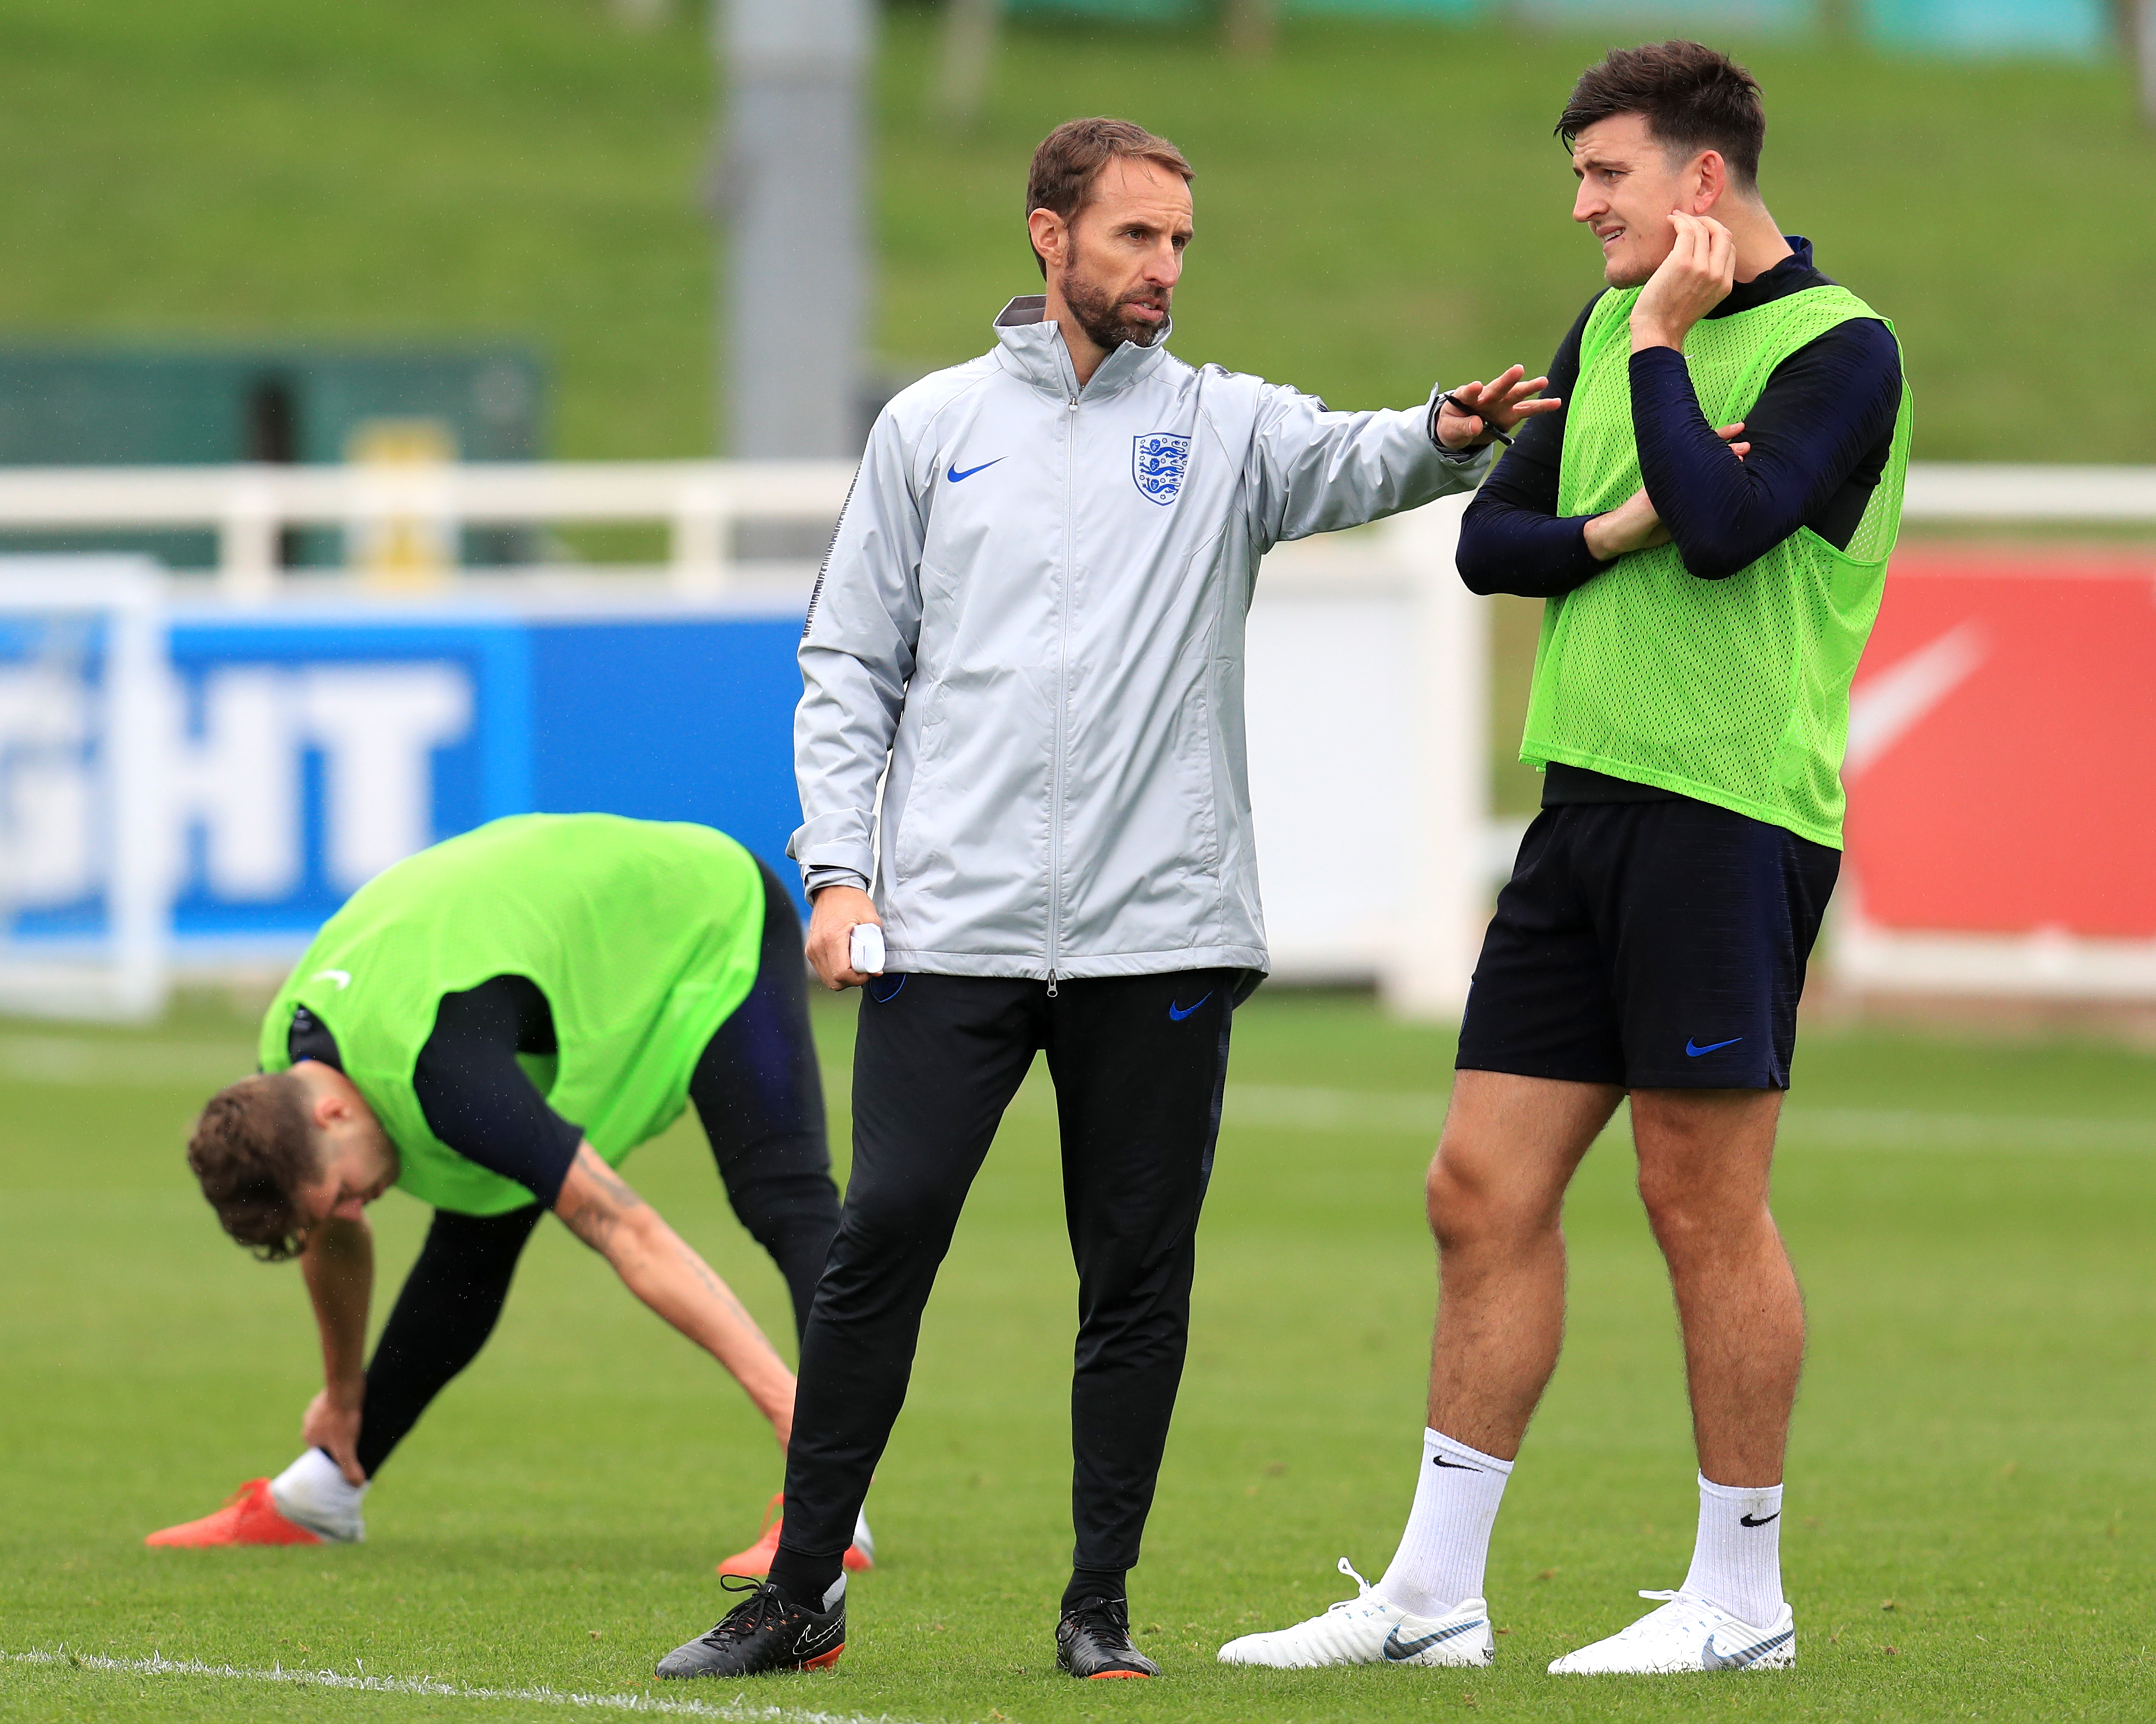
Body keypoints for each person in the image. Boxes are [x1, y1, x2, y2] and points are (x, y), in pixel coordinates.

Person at [655, 115, 1557, 1684]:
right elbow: (845, 662)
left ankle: (1097, 1612)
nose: (1162, 268)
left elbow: (1354, 456)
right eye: (1135, 236)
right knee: (882, 1245)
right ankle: (798, 1594)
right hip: (950, 927)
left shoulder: (1218, 426)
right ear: (1045, 235)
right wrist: (837, 871)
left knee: (1132, 1278)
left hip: (1165, 934)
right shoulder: (931, 429)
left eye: (1180, 242)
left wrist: (1447, 427)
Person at [1221, 42, 1910, 1678]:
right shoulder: (1597, 327)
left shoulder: (1838, 348)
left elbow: (1731, 523)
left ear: (1696, 180)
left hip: (1730, 815)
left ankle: (1738, 1602)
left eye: (1604, 176)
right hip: (1580, 809)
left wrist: (1666, 353)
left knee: (1697, 1205)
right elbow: (1488, 540)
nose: (1582, 208)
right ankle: (1430, 1595)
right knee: (1474, 1190)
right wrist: (1610, 525)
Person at [147, 813, 872, 1575]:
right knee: (477, 1229)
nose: (358, 1214)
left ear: (332, 1115)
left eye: (342, 1197)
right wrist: (341, 1390)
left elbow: (626, 1230)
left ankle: (835, 1503)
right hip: (536, 965)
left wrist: (785, 1402)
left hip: (704, 916)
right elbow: (330, 1233)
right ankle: (324, 1490)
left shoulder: (445, 1072)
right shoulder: (285, 1069)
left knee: (783, 1197)